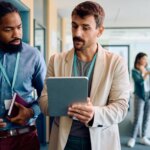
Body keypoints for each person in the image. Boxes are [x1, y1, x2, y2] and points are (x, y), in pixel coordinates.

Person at [39, 1, 130, 150]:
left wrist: (94, 113)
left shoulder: (116, 62)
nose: (77, 33)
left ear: (99, 31)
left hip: (101, 140)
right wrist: (62, 105)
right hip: (65, 141)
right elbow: (43, 101)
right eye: (74, 26)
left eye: (85, 28)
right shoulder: (56, 60)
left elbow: (121, 107)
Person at [0, 1, 46, 150]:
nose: (17, 34)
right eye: (8, 29)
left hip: (27, 138)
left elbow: (47, 95)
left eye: (19, 27)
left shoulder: (34, 56)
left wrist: (31, 112)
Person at [127, 52, 150, 148]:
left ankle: (143, 137)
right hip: (139, 96)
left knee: (146, 117)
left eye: (146, 59)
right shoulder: (134, 71)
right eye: (144, 58)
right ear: (139, 59)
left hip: (148, 96)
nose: (146, 60)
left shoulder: (148, 69)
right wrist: (145, 74)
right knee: (137, 118)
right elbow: (140, 82)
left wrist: (146, 72)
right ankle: (133, 138)